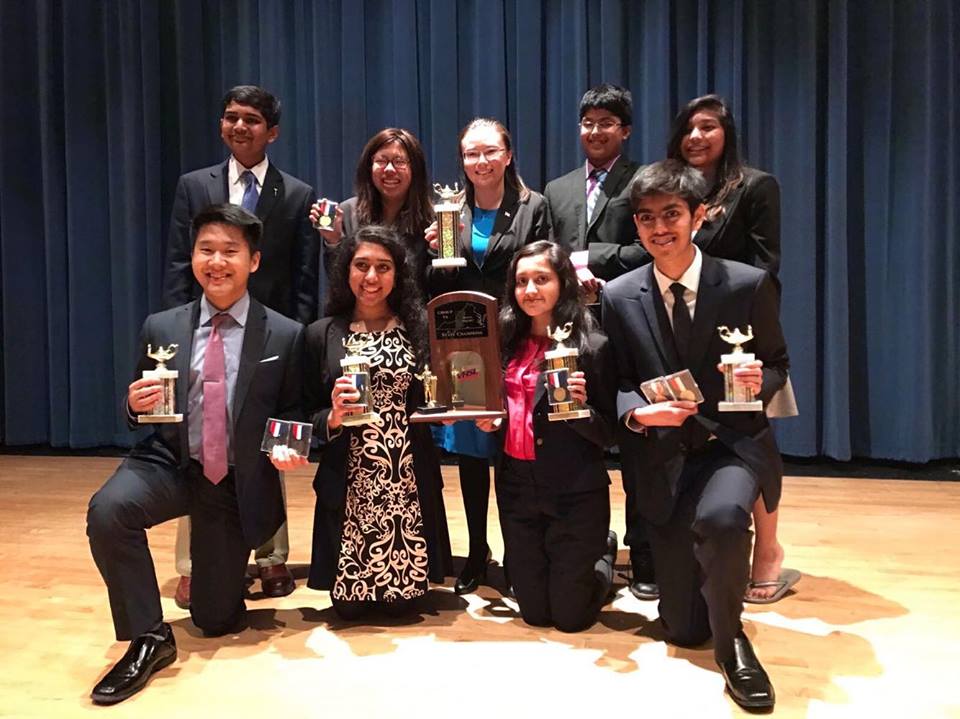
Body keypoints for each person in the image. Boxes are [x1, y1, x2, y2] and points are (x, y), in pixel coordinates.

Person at [86, 205, 304, 704]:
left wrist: (291, 446)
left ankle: (223, 581)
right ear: (193, 257)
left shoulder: (286, 334)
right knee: (108, 512)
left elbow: (295, 411)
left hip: (232, 481)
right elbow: (143, 408)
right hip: (168, 463)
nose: (217, 261)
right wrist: (132, 404)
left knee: (213, 620)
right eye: (206, 249)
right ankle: (148, 636)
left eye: (230, 251)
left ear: (254, 260)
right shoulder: (161, 327)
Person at [602, 160, 788, 710]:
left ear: (699, 216)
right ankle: (713, 609)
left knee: (722, 519)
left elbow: (778, 364)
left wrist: (760, 379)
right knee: (683, 630)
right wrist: (638, 414)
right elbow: (615, 386)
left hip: (731, 442)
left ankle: (735, 647)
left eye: (672, 214)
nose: (660, 228)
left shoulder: (746, 284)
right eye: (646, 218)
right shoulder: (617, 295)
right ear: (636, 226)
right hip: (662, 457)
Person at [162, 85, 315, 606]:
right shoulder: (193, 186)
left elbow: (301, 277)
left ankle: (271, 557)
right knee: (200, 446)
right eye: (231, 118)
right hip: (204, 335)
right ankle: (191, 562)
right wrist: (176, 332)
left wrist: (297, 339)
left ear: (272, 131)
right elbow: (181, 267)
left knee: (265, 448)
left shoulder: (296, 193)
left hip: (267, 340)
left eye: (252, 119)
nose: (240, 127)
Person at [668, 94, 797, 603]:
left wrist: (744, 326)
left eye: (708, 127)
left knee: (752, 436)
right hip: (680, 326)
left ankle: (767, 550)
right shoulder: (670, 188)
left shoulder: (755, 186)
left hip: (736, 333)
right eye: (689, 129)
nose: (696, 137)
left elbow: (768, 264)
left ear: (727, 134)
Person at [425, 117, 551, 594]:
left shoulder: (532, 206)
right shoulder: (450, 210)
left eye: (489, 151)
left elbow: (543, 267)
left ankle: (521, 551)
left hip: (516, 340)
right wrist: (433, 251)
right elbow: (441, 280)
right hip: (465, 344)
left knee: (514, 453)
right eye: (471, 153)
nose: (480, 161)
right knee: (473, 454)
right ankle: (478, 551)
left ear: (508, 154)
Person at [304, 225, 453, 618]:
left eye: (383, 267)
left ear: (398, 274)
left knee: (406, 606)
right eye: (362, 265)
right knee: (348, 610)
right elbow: (303, 412)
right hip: (350, 478)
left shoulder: (419, 329)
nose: (372, 278)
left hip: (406, 476)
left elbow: (440, 395)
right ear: (345, 271)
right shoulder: (321, 334)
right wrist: (332, 418)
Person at [475, 240, 617, 632]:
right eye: (521, 281)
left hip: (573, 488)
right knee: (535, 615)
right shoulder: (502, 341)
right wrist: (489, 420)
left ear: (563, 283)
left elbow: (611, 434)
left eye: (542, 279)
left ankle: (602, 556)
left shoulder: (593, 346)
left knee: (572, 619)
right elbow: (498, 407)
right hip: (516, 484)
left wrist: (581, 410)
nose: (530, 290)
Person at [544, 83, 645, 285]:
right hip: (568, 302)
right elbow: (547, 252)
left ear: (625, 131)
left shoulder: (644, 180)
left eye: (606, 123)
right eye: (588, 123)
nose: (595, 131)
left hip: (625, 299)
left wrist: (586, 259)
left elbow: (648, 248)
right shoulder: (555, 189)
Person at [311, 128, 434, 293]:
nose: (389, 169)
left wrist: (438, 250)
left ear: (415, 169)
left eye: (399, 161)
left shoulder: (432, 220)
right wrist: (334, 241)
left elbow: (437, 285)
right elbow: (338, 282)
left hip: (413, 314)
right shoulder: (347, 212)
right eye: (381, 161)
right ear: (369, 167)